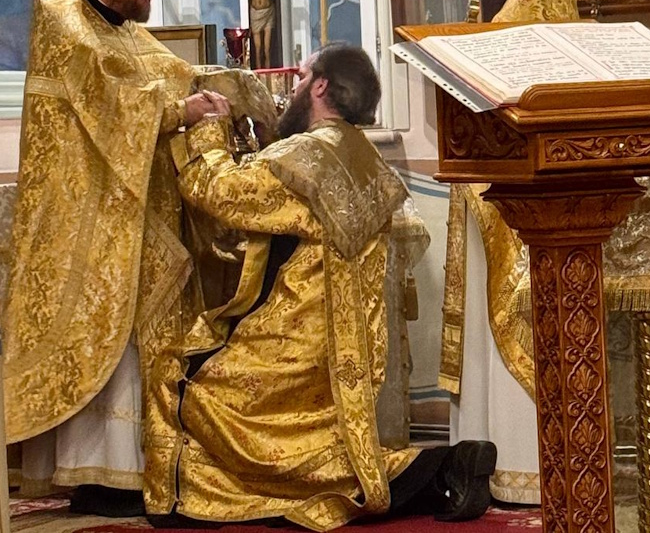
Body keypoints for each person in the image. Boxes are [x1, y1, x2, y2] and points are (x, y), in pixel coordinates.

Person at [144, 43, 497, 530]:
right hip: (348, 354)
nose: (292, 88)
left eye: (301, 77)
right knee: (325, 447)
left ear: (321, 85)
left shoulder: (305, 154)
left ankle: (185, 503)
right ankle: (441, 471)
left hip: (293, 343)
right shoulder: (359, 154)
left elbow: (218, 192)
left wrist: (210, 126)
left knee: (178, 379)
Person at [3, 0, 276, 515]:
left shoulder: (126, 32)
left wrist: (238, 86)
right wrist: (182, 110)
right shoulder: (68, 24)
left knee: (141, 340)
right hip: (86, 221)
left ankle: (144, 465)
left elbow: (175, 75)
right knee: (106, 339)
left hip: (139, 215)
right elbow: (114, 102)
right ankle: (99, 473)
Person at [438, 0, 580, 504]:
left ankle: (522, 462)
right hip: (520, 187)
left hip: (514, 196)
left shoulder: (523, 13)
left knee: (511, 318)